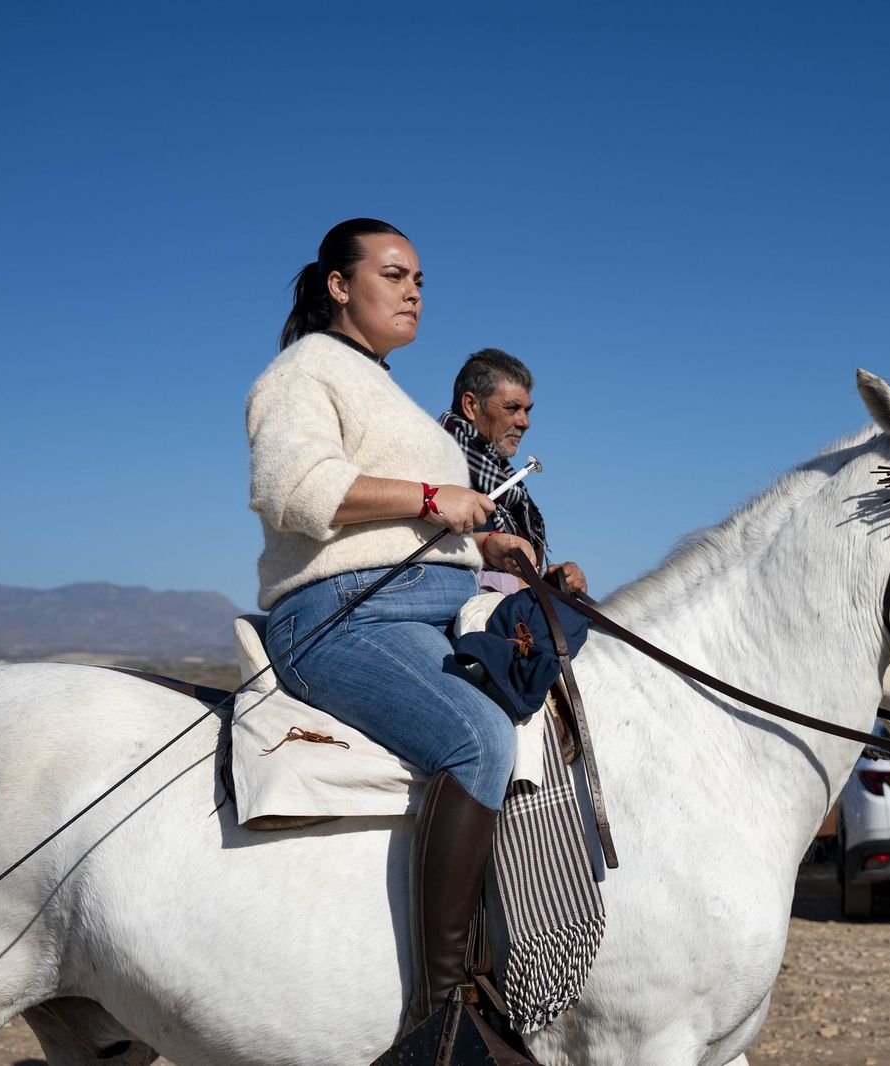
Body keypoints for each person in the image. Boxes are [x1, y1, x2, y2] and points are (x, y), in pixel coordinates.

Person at [247, 218, 539, 1035]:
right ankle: (444, 1011)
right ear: (340, 286)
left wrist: (485, 541)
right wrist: (427, 498)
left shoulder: (385, 389)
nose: (413, 291)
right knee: (479, 738)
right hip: (343, 616)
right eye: (393, 274)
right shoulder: (305, 370)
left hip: (432, 604)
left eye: (420, 280)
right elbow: (293, 488)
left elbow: (417, 522)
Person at [438, 348, 588, 596]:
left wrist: (554, 581)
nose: (524, 422)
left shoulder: (501, 475)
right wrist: (525, 590)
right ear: (471, 405)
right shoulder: (435, 462)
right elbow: (429, 564)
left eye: (527, 410)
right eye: (512, 408)